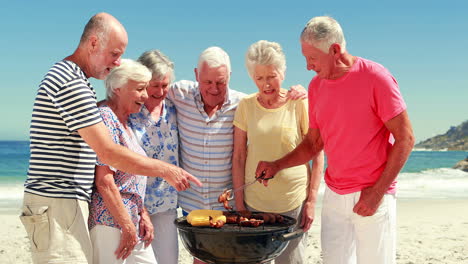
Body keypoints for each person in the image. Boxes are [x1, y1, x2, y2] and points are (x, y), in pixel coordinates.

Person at [20, 13, 200, 264]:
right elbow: (107, 152)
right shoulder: (70, 82)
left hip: (63, 203)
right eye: (114, 54)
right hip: (57, 203)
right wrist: (165, 170)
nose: (117, 63)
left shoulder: (77, 80)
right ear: (93, 43)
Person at [256, 16, 415, 264]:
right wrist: (276, 165)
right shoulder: (316, 87)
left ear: (335, 50)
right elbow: (313, 144)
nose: (308, 66)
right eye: (305, 58)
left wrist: (376, 193)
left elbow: (405, 138)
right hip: (334, 196)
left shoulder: (376, 77)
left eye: (312, 58)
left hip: (372, 194)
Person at [167, 46, 307, 264]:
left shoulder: (241, 103)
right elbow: (148, 87)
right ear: (196, 75)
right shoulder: (179, 93)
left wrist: (298, 91)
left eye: (220, 82)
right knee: (202, 259)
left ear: (230, 77)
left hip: (228, 206)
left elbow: (310, 144)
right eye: (207, 82)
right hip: (192, 203)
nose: (214, 89)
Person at [232, 40, 324, 264]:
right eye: (259, 78)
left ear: (282, 72)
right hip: (255, 205)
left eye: (271, 76)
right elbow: (239, 156)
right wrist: (241, 205)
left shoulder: (299, 103)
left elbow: (318, 154)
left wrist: (311, 201)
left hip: (293, 203)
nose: (266, 84)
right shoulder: (246, 106)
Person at [89, 59, 156, 264]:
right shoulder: (105, 117)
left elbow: (131, 178)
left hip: (130, 219)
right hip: (110, 223)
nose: (145, 96)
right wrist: (126, 225)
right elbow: (104, 181)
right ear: (117, 87)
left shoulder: (125, 122)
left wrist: (142, 214)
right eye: (140, 89)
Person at [128, 50, 179, 264]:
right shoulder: (129, 112)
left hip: (167, 204)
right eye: (154, 85)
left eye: (165, 85)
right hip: (136, 207)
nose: (160, 91)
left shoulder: (175, 108)